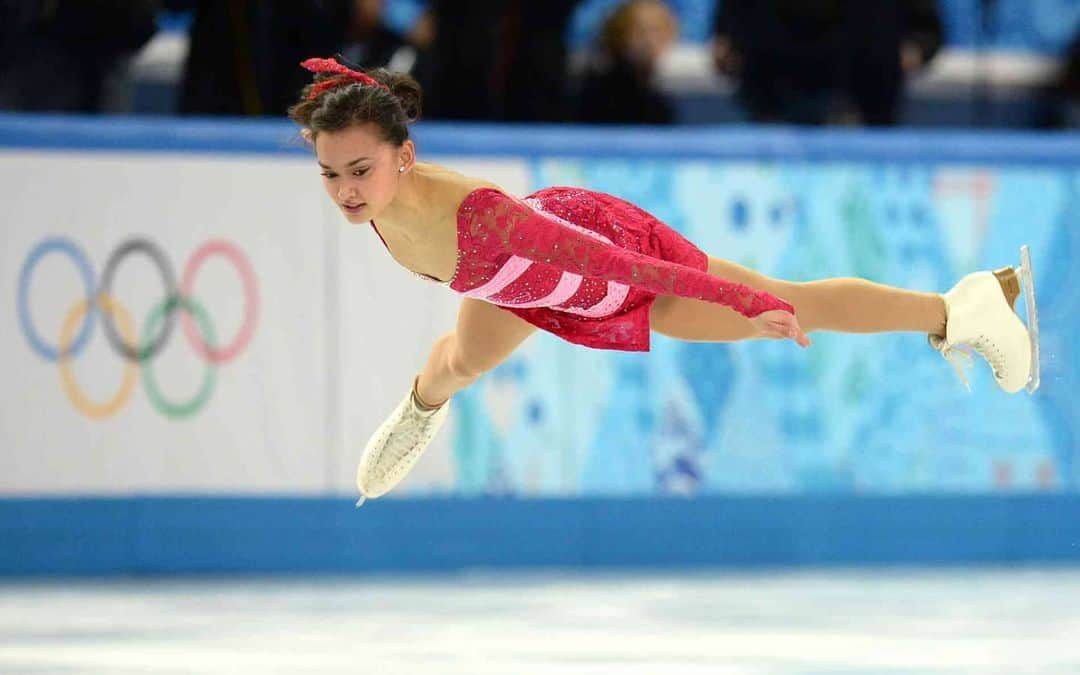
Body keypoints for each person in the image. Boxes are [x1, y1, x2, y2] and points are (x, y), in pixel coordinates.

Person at [288, 57, 1037, 502]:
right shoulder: (376, 205)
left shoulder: (483, 217)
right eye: (330, 173)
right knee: (460, 360)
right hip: (519, 285)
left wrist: (744, 298)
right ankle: (421, 407)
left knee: (789, 300)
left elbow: (623, 266)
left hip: (601, 252)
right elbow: (468, 274)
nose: (347, 189)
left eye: (361, 170)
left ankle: (961, 308)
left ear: (406, 156)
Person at [712, 0, 943, 125]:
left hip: (863, 108)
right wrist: (729, 48)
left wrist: (903, 55)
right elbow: (727, 39)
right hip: (774, 106)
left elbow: (926, 34)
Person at [578, 0, 679, 125]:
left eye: (656, 31)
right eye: (640, 32)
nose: (649, 41)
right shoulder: (597, 99)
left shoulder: (658, 103)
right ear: (618, 35)